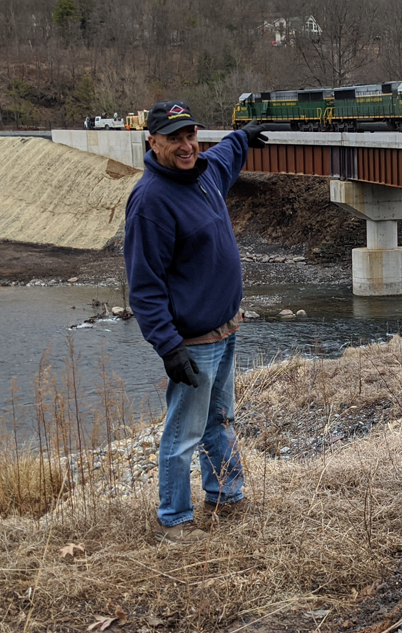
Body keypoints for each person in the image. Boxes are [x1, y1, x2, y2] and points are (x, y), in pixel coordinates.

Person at [123, 100, 268, 543]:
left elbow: (224, 156)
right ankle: (174, 519)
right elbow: (144, 287)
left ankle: (226, 495)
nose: (187, 145)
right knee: (183, 432)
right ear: (153, 142)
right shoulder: (150, 202)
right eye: (174, 138)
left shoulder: (204, 171)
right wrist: (169, 347)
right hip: (194, 342)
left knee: (219, 419)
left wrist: (242, 137)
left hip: (225, 328)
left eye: (191, 135)